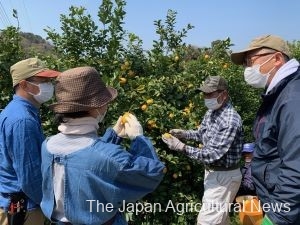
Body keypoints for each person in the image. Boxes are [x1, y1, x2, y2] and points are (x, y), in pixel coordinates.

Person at [40, 66, 165, 225]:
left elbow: (88, 162)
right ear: (96, 107)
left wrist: (113, 136)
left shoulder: (48, 145)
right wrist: (139, 139)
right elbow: (151, 173)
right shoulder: (108, 156)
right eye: (105, 102)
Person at [231, 34, 300, 225]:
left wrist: (277, 218)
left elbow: (296, 166)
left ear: (276, 59)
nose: (247, 69)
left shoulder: (292, 99)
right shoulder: (278, 95)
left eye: (250, 61)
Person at [162, 76, 243, 225]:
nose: (205, 98)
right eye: (204, 94)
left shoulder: (230, 120)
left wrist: (181, 147)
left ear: (223, 95)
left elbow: (212, 154)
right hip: (214, 174)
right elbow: (201, 134)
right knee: (220, 220)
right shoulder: (212, 112)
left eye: (209, 94)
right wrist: (184, 133)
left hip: (224, 177)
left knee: (207, 222)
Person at [0, 57, 60, 225]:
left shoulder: (15, 111)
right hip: (24, 210)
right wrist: (52, 206)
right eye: (43, 81)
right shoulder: (23, 120)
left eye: (49, 81)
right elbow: (29, 178)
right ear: (24, 84)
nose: (49, 85)